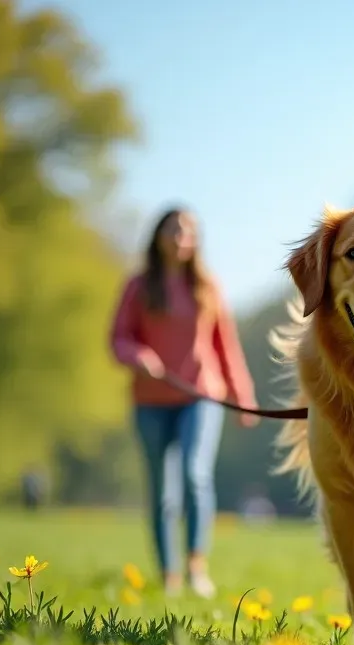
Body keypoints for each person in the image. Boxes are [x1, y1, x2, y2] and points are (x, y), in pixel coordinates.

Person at [109, 207, 259, 598]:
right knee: (161, 490)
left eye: (189, 231)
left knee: (194, 474)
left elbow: (225, 344)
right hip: (151, 400)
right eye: (174, 230)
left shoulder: (207, 286)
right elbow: (118, 338)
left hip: (200, 396)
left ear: (196, 241)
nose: (181, 237)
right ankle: (168, 573)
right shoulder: (139, 287)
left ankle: (196, 564)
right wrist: (137, 356)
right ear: (159, 236)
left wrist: (242, 396)